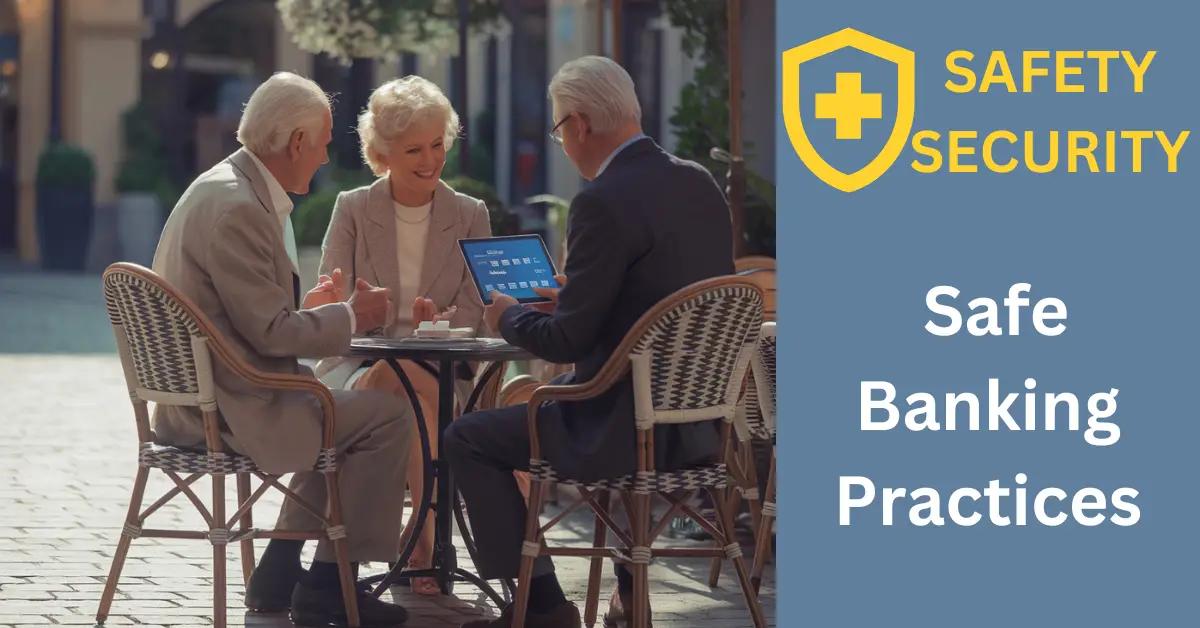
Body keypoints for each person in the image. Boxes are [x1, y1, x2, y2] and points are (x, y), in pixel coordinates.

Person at [443, 56, 736, 628]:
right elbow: (664, 300)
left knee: (467, 439)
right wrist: (577, 297)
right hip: (697, 428)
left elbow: (563, 342)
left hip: (616, 429)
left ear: (578, 125)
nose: (563, 143)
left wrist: (505, 315)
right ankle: (626, 593)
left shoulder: (601, 201)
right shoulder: (699, 183)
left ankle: (541, 606)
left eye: (557, 130)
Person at [151, 72, 412, 626]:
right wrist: (350, 315)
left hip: (205, 400)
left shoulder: (218, 186)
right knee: (385, 416)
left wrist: (311, 310)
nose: (322, 159)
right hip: (228, 411)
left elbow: (251, 316)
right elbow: (270, 334)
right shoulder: (240, 208)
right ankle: (329, 584)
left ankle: (283, 567)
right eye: (320, 145)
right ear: (295, 142)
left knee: (332, 410)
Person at [305, 75, 491, 595]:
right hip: (362, 367)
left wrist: (440, 322)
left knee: (411, 385)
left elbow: (475, 314)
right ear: (382, 153)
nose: (430, 159)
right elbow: (332, 300)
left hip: (442, 372)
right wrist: (343, 307)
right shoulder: (352, 209)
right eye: (414, 149)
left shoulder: (471, 215)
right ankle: (429, 539)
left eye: (438, 144)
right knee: (398, 377)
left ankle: (417, 534)